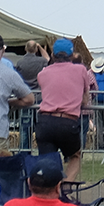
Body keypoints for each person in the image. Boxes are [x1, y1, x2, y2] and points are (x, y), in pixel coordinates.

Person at [36, 38, 95, 180]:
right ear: (72, 54)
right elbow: (85, 98)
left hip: (45, 122)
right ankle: (66, 187)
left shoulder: (43, 73)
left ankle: (49, 194)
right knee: (75, 156)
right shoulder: (81, 70)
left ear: (53, 55)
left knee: (47, 164)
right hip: (67, 122)